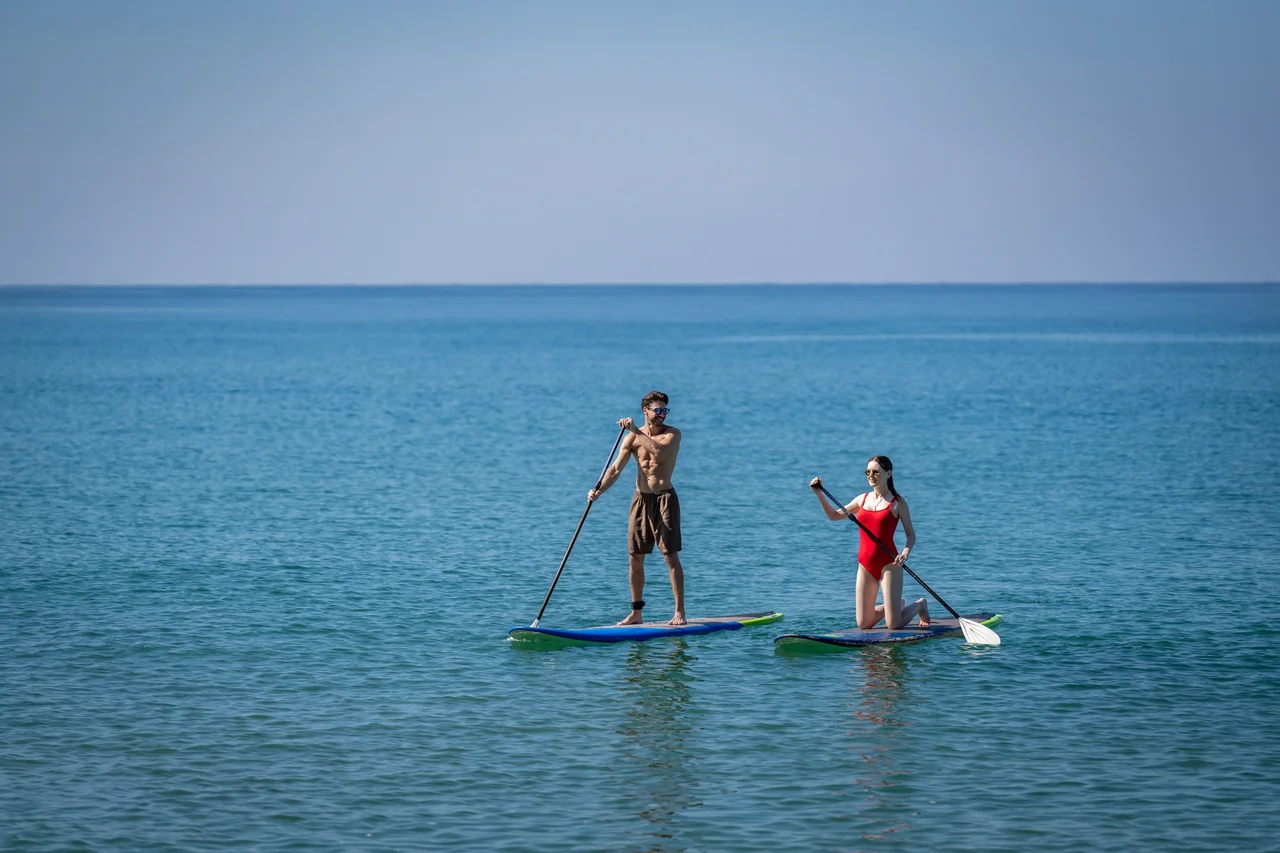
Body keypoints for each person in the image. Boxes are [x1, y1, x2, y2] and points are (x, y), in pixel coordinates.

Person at [587, 391, 686, 626]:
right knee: (635, 557)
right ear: (646, 411)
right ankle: (636, 613)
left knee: (670, 556)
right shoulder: (631, 439)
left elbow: (658, 453)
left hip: (664, 499)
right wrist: (598, 491)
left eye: (665, 410)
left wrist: (636, 430)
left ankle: (679, 611)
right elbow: (615, 470)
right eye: (658, 410)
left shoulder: (672, 434)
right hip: (641, 499)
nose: (662, 414)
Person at [809, 456, 929, 630]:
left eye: (876, 472)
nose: (871, 476)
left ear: (888, 474)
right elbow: (833, 516)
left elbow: (911, 535)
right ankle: (895, 606)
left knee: (893, 625)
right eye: (868, 472)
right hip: (865, 564)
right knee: (864, 624)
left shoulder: (897, 503)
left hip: (890, 563)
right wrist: (818, 493)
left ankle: (919, 605)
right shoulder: (862, 499)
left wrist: (905, 553)